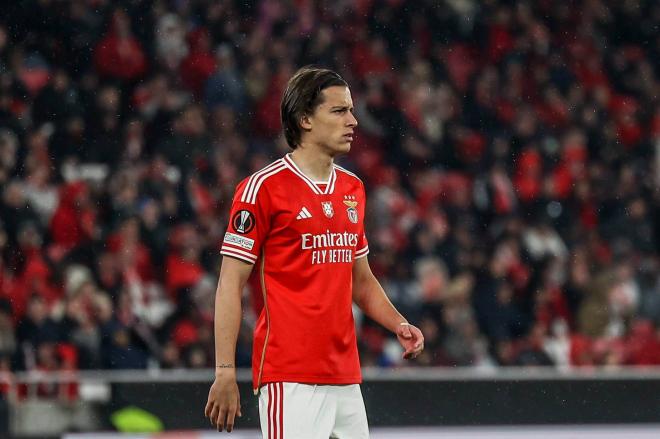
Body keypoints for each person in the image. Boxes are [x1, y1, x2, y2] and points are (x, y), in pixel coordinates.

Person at [204, 66, 424, 437]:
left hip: (345, 376)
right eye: (339, 111)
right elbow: (229, 285)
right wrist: (225, 372)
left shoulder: (352, 188)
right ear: (304, 118)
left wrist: (396, 322)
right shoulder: (262, 189)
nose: (353, 120)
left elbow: (361, 280)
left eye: (351, 110)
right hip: (289, 377)